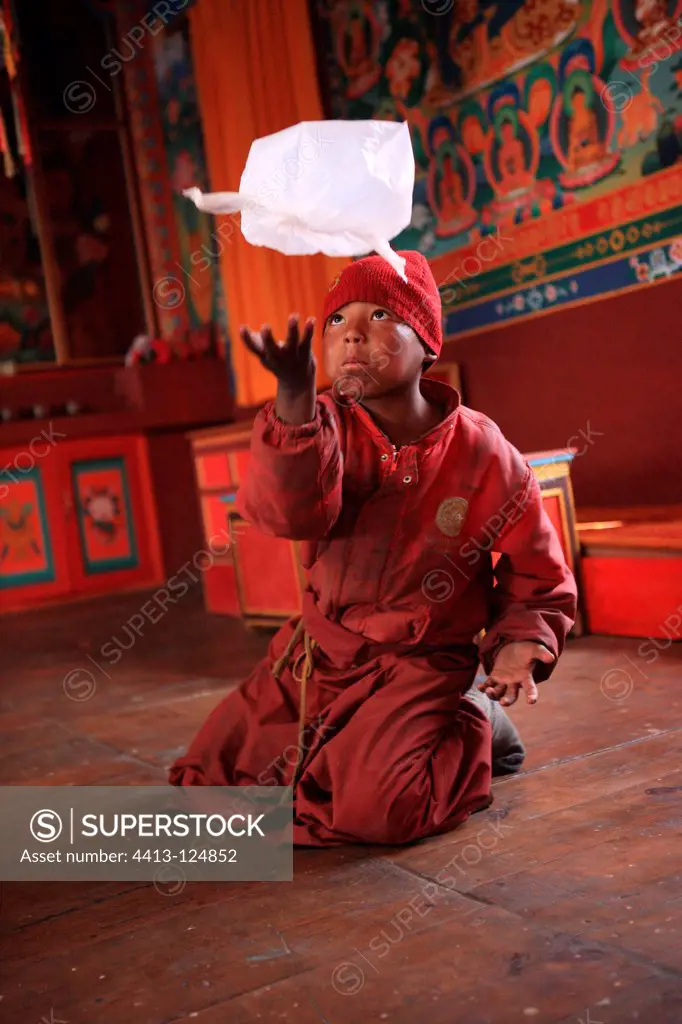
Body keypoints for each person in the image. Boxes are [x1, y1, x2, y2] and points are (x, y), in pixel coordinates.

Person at [169, 251, 577, 847]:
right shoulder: (322, 426)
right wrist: (292, 396)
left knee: (379, 811)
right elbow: (288, 512)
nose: (352, 332)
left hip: (422, 661)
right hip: (323, 653)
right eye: (336, 320)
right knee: (212, 784)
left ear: (427, 343)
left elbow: (537, 573)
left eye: (381, 313)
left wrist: (519, 645)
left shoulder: (484, 453)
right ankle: (383, 740)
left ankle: (475, 723)